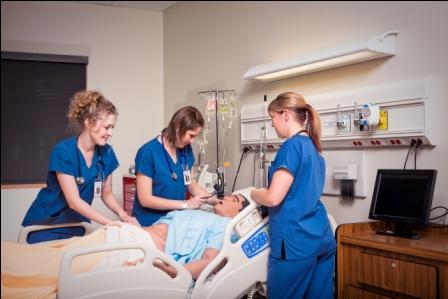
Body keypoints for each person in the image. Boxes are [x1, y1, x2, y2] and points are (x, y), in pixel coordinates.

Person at [2, 194, 249, 298]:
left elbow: (208, 263)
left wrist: (171, 271)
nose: (227, 196)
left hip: (135, 248)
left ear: (239, 212)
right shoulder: (200, 211)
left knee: (52, 267)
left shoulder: (223, 227)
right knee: (53, 255)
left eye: (235, 199)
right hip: (125, 235)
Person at [22, 90, 139, 244]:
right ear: (89, 122)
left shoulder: (107, 153)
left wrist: (123, 215)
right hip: (45, 225)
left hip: (77, 226)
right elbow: (74, 201)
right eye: (106, 127)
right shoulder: (63, 152)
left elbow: (107, 192)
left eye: (112, 128)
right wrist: (110, 223)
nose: (110, 133)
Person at [250, 92, 336, 299]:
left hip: (295, 243)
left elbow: (273, 198)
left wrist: (254, 193)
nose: (272, 124)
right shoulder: (314, 148)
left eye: (273, 117)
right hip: (321, 237)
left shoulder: (292, 146)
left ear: (285, 114)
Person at [133, 106, 216, 226]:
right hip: (149, 223)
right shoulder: (148, 152)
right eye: (191, 135)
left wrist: (213, 200)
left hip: (174, 221)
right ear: (178, 128)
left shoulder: (185, 150)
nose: (192, 141)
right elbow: (145, 199)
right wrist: (186, 204)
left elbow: (192, 186)